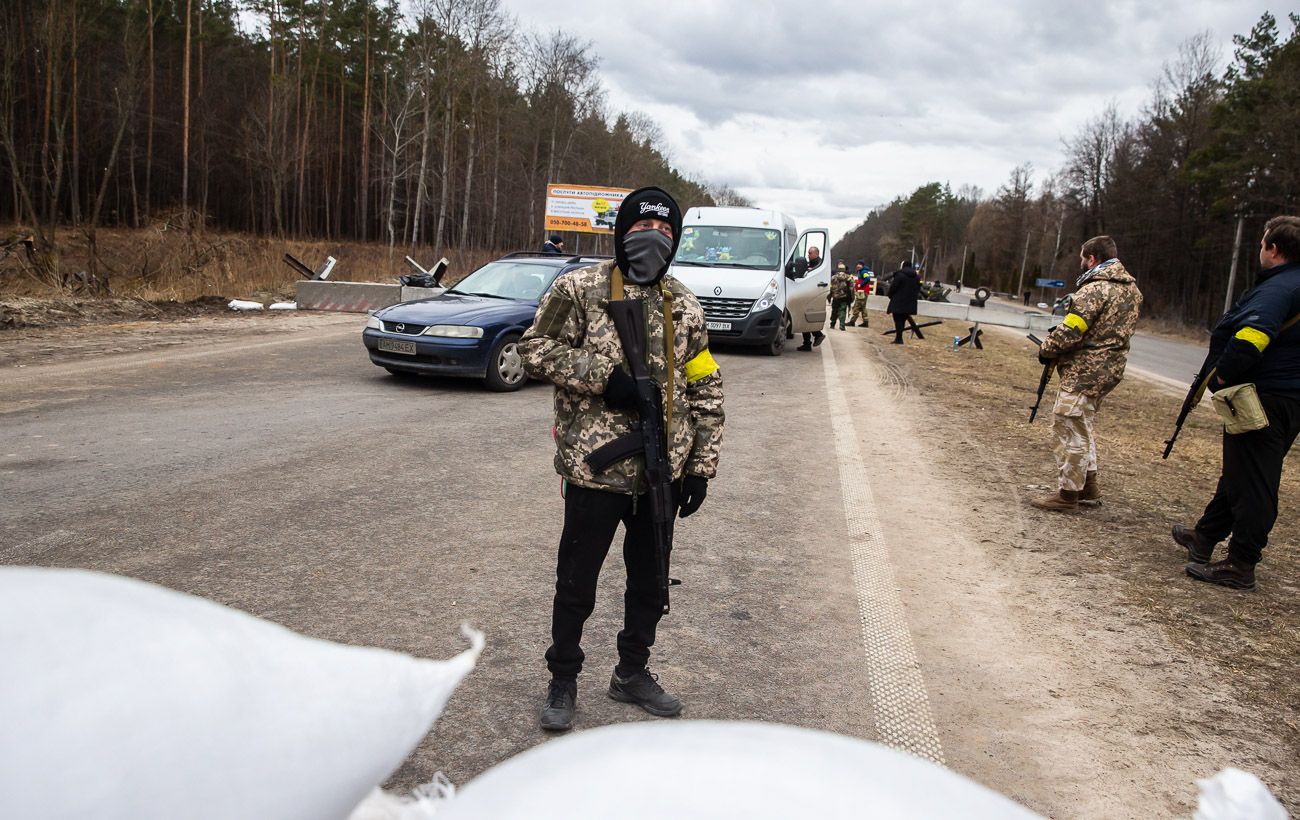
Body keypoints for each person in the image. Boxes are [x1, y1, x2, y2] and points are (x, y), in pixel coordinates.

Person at [519, 186, 726, 731]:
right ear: (620, 234)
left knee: (650, 582)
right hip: (596, 470)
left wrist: (700, 465)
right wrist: (604, 379)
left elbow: (705, 385)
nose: (652, 240)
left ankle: (631, 673)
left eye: (664, 233)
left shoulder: (683, 303)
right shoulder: (580, 288)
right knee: (576, 582)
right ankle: (563, 677)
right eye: (640, 230)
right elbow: (534, 348)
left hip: (663, 473)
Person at [1175, 216, 1300, 590]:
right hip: (1286, 397)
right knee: (1241, 472)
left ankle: (1241, 564)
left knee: (1256, 483)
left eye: (1262, 243)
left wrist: (1224, 375)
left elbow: (1251, 338)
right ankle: (1205, 536)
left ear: (1273, 249)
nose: (1260, 249)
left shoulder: (1279, 288)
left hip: (1266, 398)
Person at [1030, 236, 1142, 512]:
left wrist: (1047, 349)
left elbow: (1071, 329)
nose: (1081, 263)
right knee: (1083, 424)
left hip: (1084, 370)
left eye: (1083, 258)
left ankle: (1069, 494)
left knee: (1068, 427)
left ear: (1092, 258)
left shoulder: (1093, 291)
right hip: (1109, 370)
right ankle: (1089, 486)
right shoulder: (1132, 291)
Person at [883, 261, 922, 344]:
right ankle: (899, 337)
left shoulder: (899, 275)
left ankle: (899, 338)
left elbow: (893, 287)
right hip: (910, 301)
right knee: (903, 319)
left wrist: (890, 295)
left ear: (903, 266)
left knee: (897, 319)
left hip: (898, 300)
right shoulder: (917, 277)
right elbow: (918, 288)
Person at [796, 246, 827, 351]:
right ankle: (810, 340)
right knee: (805, 317)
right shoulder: (813, 263)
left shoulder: (818, 264)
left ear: (816, 254)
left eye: (810, 253)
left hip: (812, 293)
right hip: (809, 292)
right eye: (808, 253)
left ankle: (814, 337)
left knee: (805, 316)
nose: (808, 255)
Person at [828, 261, 854, 330]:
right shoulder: (849, 278)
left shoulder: (833, 277)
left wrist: (829, 296)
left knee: (834, 311)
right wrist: (852, 298)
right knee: (842, 311)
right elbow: (852, 289)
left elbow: (830, 287)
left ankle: (832, 324)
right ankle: (842, 325)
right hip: (844, 297)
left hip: (835, 297)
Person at [847, 261, 871, 327]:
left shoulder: (863, 272)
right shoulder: (861, 271)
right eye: (857, 264)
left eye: (860, 265)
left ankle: (852, 321)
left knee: (856, 306)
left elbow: (868, 278)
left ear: (863, 266)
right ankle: (865, 322)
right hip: (862, 292)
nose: (858, 266)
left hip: (862, 292)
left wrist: (860, 285)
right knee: (863, 307)